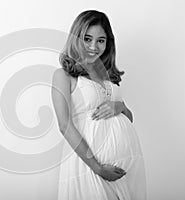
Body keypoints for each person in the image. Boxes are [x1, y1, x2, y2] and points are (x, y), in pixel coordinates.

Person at [51, 10, 146, 199]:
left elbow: (128, 119)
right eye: (87, 39)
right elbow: (64, 125)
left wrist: (120, 107)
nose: (94, 46)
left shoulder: (109, 76)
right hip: (90, 167)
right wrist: (98, 168)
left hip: (126, 168)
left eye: (101, 40)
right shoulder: (63, 76)